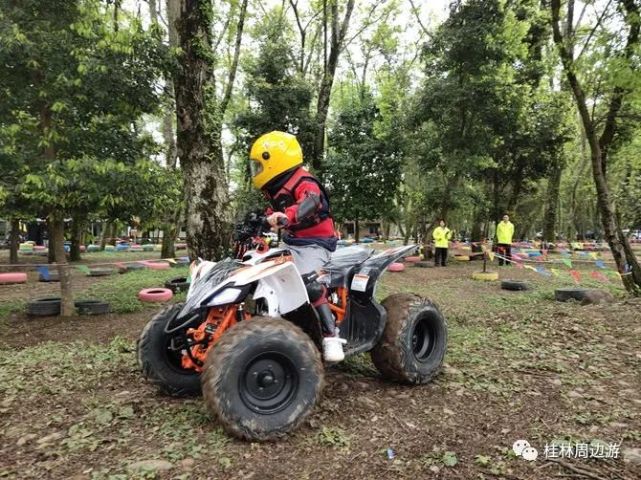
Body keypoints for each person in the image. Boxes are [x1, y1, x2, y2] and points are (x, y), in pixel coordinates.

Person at [249, 131, 346, 362]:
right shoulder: (276, 188)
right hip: (292, 242)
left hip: (317, 244)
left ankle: (331, 335)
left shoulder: (305, 181)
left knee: (308, 282)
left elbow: (311, 202)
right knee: (263, 272)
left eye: (259, 165)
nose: (257, 171)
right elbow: (273, 214)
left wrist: (287, 217)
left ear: (274, 160)